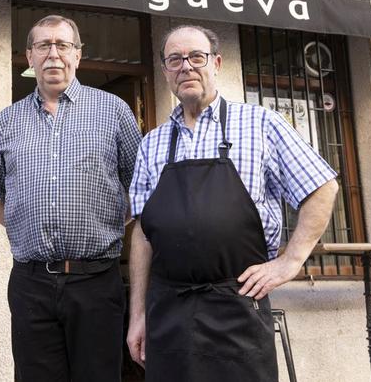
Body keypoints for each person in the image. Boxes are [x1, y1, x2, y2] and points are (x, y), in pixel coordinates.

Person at [126, 24, 339, 381]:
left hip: (238, 306)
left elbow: (322, 187)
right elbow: (143, 235)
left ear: (217, 63)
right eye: (174, 60)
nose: (186, 67)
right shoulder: (152, 143)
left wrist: (290, 262)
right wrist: (138, 314)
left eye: (196, 57)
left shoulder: (261, 124)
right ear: (165, 72)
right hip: (168, 310)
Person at [0, 14, 142, 382]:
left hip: (96, 281)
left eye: (63, 45)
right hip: (31, 283)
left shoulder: (113, 111)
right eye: (43, 45)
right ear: (30, 55)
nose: (54, 54)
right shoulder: (7, 121)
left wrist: (104, 225)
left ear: (78, 55)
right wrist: (31, 228)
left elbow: (142, 190)